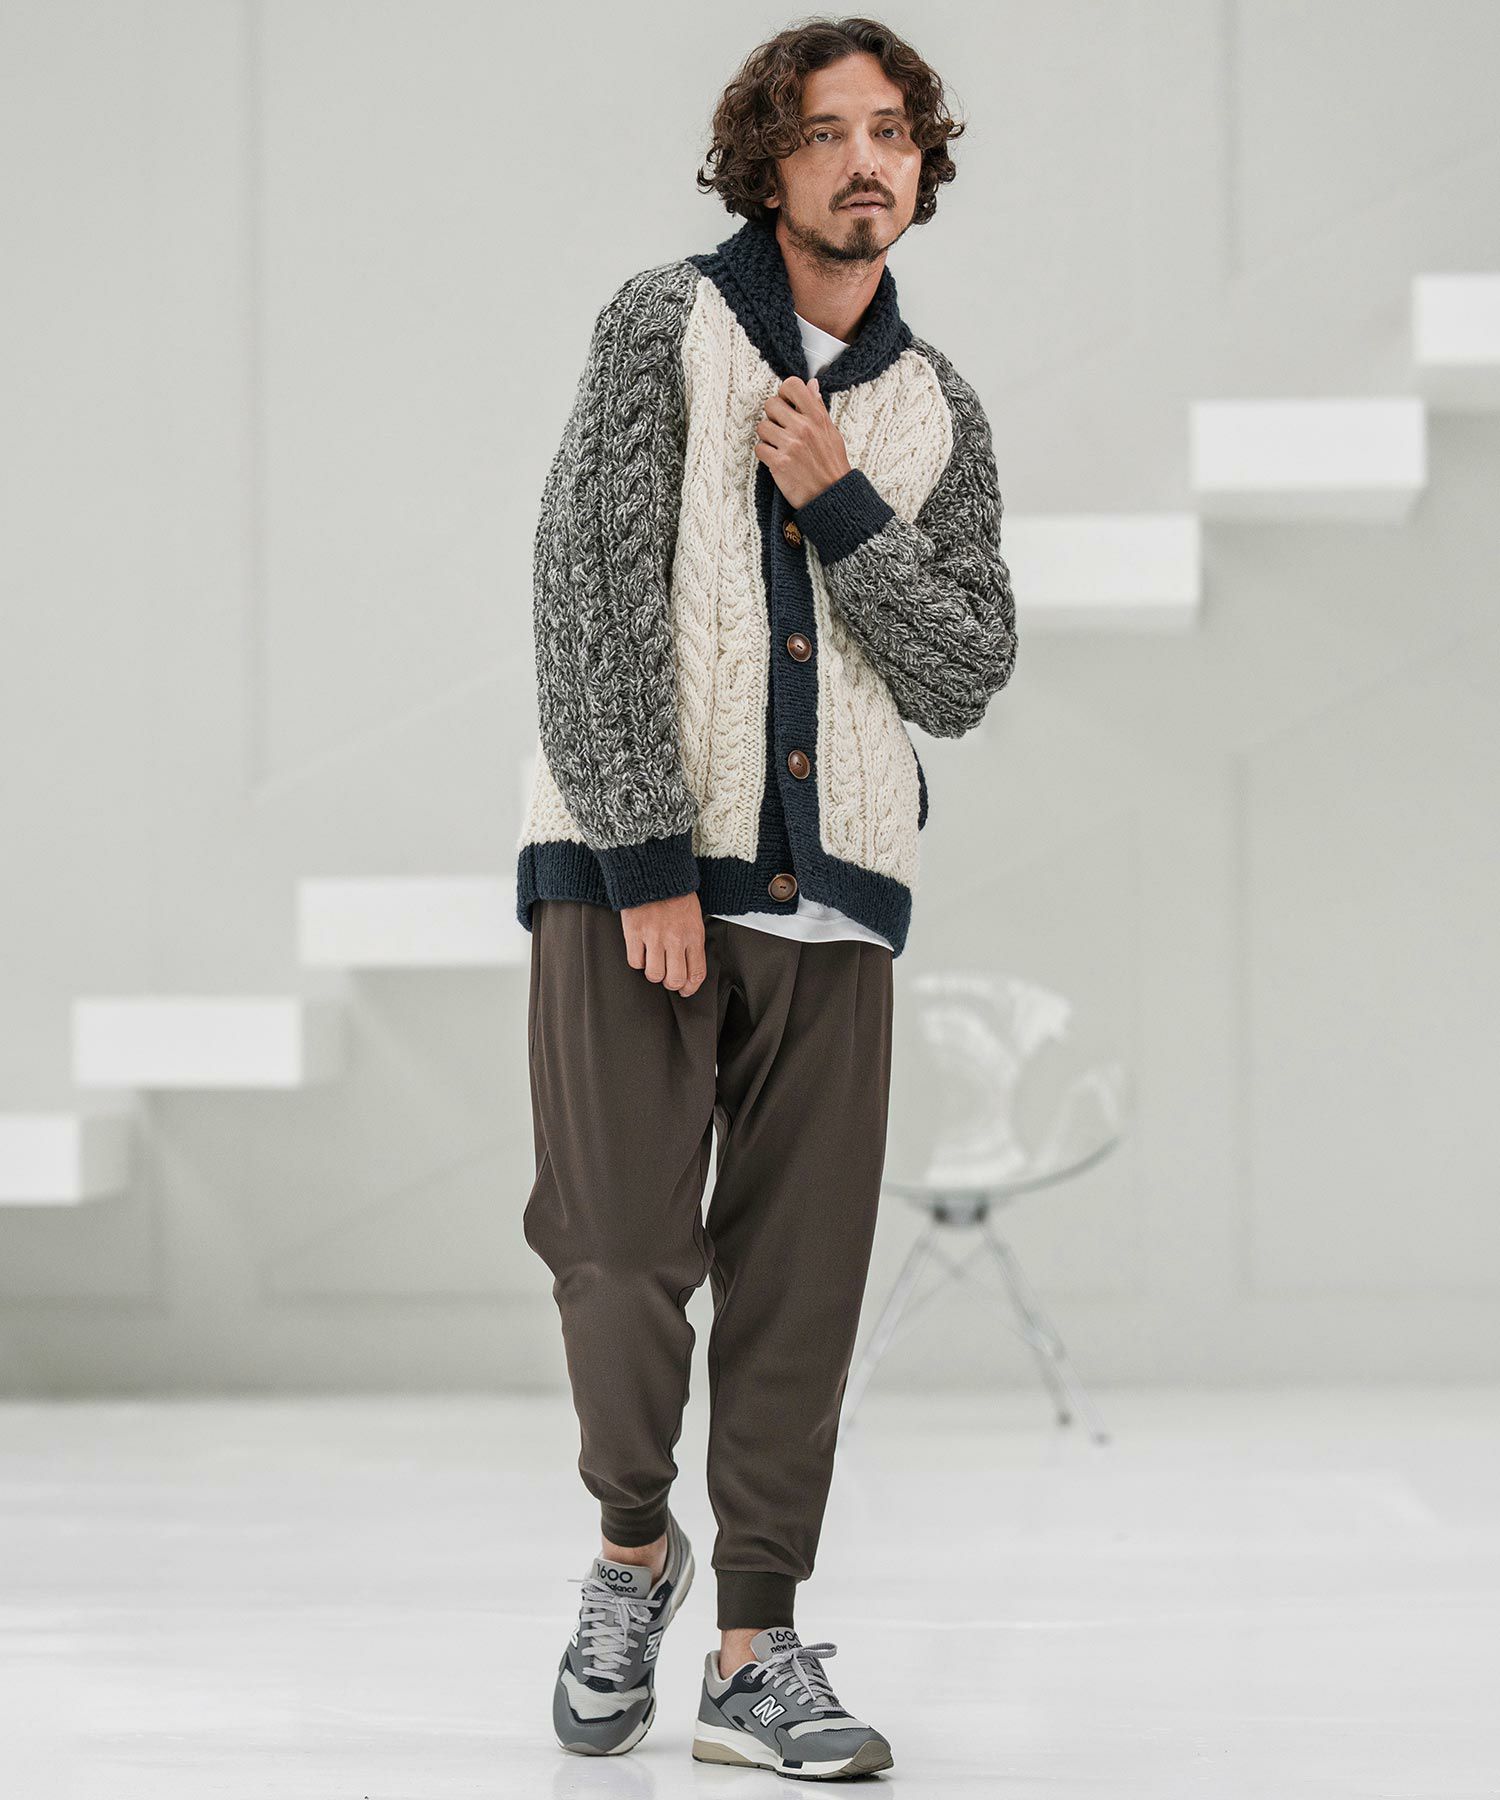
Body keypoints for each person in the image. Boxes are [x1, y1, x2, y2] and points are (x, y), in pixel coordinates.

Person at [515, 14, 1017, 1779]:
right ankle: (628, 1553)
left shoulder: (934, 407)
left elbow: (967, 669)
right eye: (825, 133)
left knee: (800, 1289)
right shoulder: (665, 325)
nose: (864, 160)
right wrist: (646, 859)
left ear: (921, 169)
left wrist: (842, 505)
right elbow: (585, 589)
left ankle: (753, 1649)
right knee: (618, 1250)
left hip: (839, 907)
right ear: (766, 162)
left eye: (892, 132)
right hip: (630, 887)